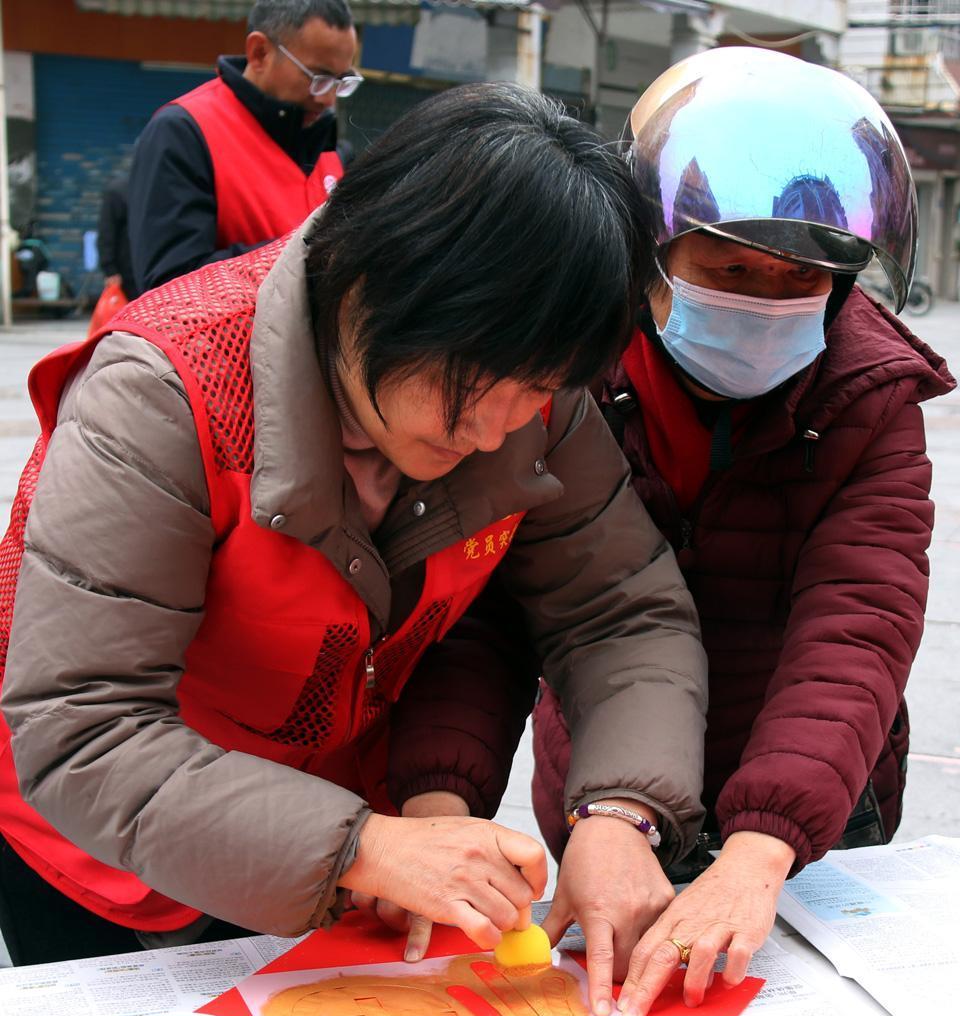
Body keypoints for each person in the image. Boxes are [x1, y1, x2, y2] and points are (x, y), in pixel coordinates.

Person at [0, 84, 707, 969]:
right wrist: (361, 845)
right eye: (471, 383)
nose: (496, 430)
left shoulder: (526, 388)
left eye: (538, 388)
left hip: (332, 844)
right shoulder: (164, 397)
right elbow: (82, 726)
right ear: (371, 283)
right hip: (104, 856)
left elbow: (619, 609)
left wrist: (620, 813)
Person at [523, 48, 955, 1016]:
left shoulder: (871, 396)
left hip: (812, 796)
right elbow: (492, 604)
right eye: (729, 270)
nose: (764, 299)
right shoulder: (569, 369)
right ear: (653, 256)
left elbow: (858, 621)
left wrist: (763, 848)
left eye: (799, 278)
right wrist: (450, 799)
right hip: (604, 796)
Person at [127, 0, 360, 294]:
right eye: (318, 78)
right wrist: (315, 254)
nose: (328, 99)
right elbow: (170, 286)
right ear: (259, 52)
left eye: (341, 81)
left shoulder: (333, 150)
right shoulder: (184, 133)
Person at [96, 172, 138, 301]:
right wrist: (110, 270)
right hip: (128, 272)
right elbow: (106, 232)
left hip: (138, 269)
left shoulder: (119, 189)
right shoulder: (119, 190)